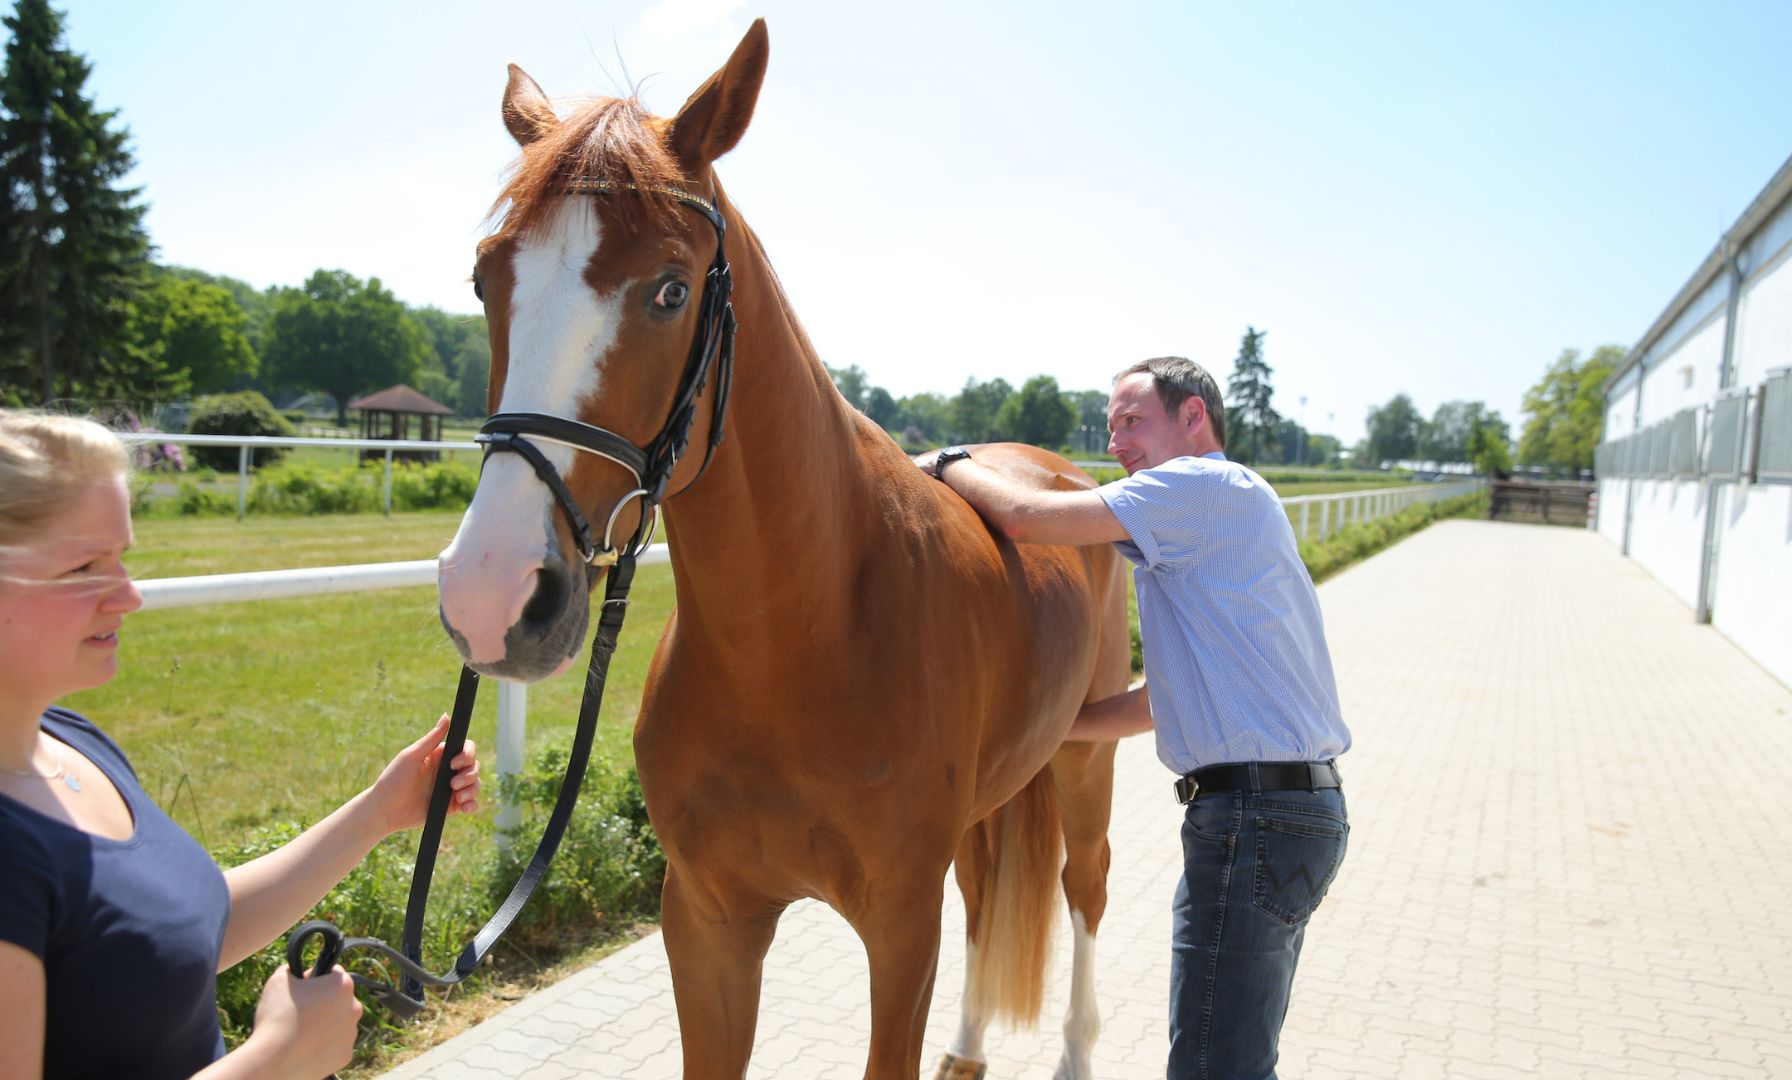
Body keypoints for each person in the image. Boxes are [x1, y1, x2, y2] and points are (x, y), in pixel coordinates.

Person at [0, 410, 484, 1079]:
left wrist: (379, 812)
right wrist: (278, 1058)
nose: (129, 596)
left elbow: (177, 932)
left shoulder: (71, 744)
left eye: (122, 560)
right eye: (84, 567)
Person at [917, 357, 1351, 1080]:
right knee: (1229, 1058)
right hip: (1278, 815)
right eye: (1110, 425)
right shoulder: (1217, 519)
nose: (1115, 442)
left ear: (1193, 417)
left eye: (1132, 421)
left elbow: (1026, 519)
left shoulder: (1199, 487)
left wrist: (944, 463)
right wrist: (1045, 730)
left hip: (1254, 818)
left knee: (1214, 1066)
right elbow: (1161, 701)